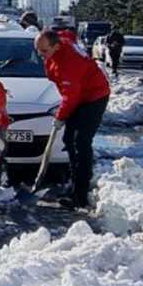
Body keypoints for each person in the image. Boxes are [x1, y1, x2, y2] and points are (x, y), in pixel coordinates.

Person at [35, 29, 111, 210]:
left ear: (56, 46)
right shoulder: (62, 41)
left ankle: (80, 195)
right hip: (80, 95)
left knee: (80, 142)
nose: (40, 55)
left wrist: (60, 117)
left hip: (94, 97)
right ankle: (74, 180)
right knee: (68, 139)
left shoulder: (68, 64)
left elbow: (71, 96)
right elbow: (69, 33)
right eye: (38, 50)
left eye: (44, 51)